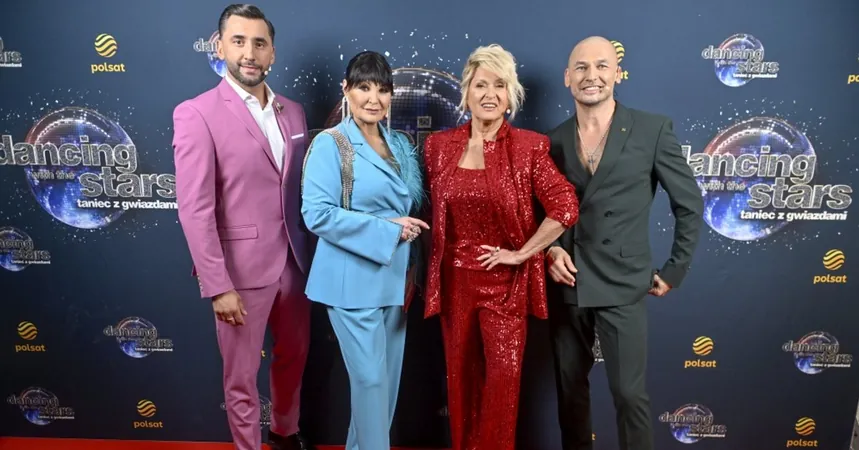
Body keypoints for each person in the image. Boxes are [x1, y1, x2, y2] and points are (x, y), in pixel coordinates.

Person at [545, 36, 704, 450]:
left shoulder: (653, 130)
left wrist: (675, 269)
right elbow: (543, 211)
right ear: (567, 77)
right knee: (570, 393)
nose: (591, 75)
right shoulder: (552, 140)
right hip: (569, 281)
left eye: (601, 65)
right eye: (581, 67)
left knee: (630, 395)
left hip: (624, 280)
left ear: (618, 73)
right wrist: (551, 249)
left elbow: (689, 204)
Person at [172, 4, 316, 450]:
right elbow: (194, 208)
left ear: (272, 52)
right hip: (238, 272)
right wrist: (218, 285)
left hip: (296, 264)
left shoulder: (294, 112)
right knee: (241, 377)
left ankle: (285, 434)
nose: (249, 53)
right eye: (238, 41)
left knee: (294, 357)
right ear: (220, 47)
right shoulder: (196, 113)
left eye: (259, 43)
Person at [422, 44, 580, 450]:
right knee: (461, 386)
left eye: (500, 85)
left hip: (506, 287)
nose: (489, 94)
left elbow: (565, 206)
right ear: (466, 92)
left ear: (511, 95)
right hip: (455, 285)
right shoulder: (438, 147)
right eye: (480, 85)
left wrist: (527, 252)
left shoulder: (528, 147)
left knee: (500, 391)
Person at [300, 51, 427, 450]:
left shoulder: (398, 143)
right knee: (370, 382)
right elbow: (317, 214)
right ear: (347, 90)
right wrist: (387, 229)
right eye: (364, 87)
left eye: (382, 89)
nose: (374, 99)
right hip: (350, 282)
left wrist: (410, 263)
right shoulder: (331, 144)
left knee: (383, 388)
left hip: (393, 279)